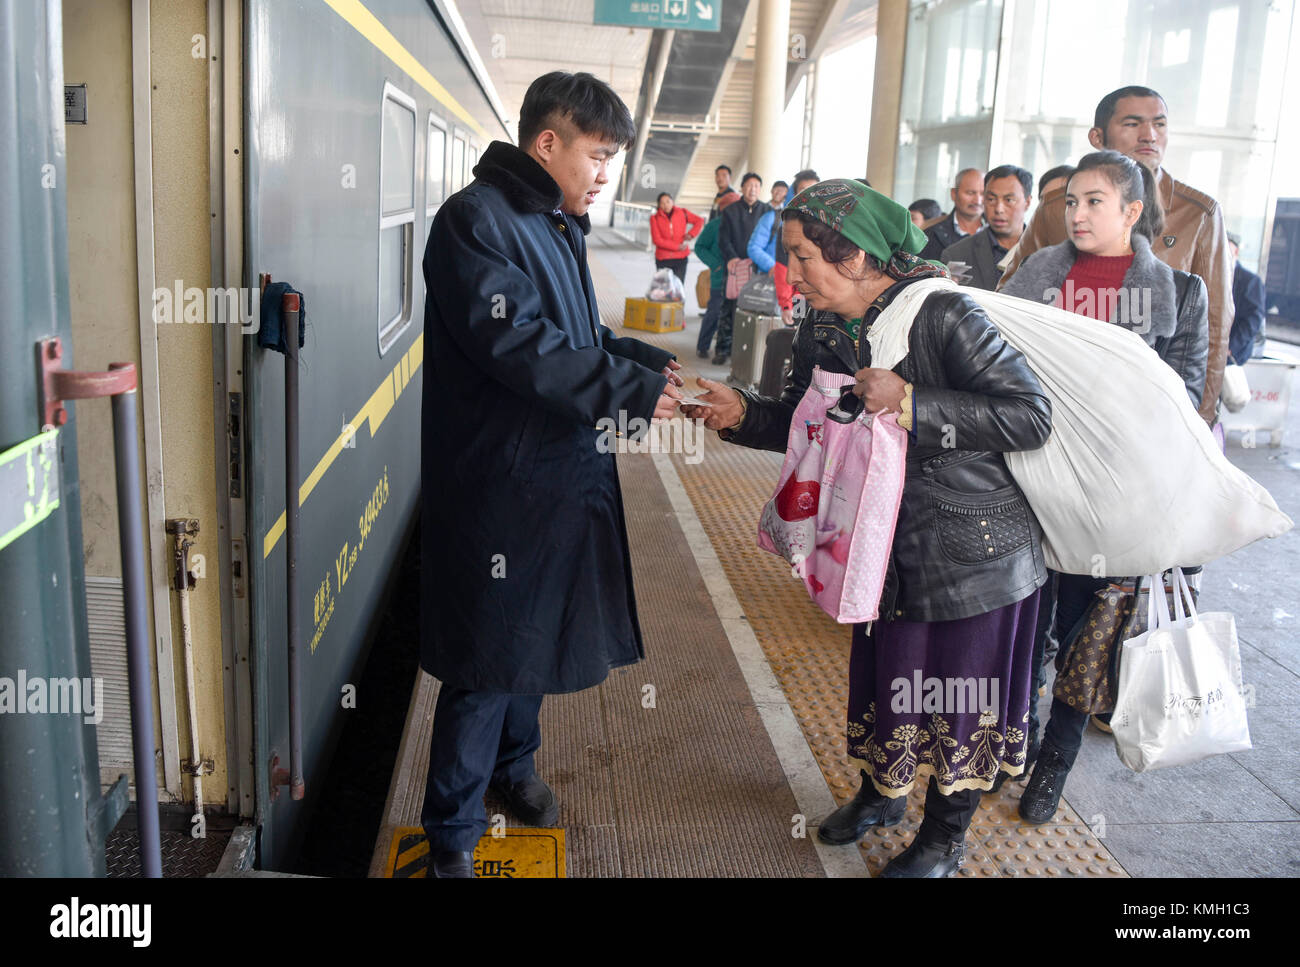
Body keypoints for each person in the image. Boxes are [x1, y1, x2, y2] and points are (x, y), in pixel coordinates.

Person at [683, 179, 1053, 877]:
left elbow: (1029, 415)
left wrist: (914, 400)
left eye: (801, 256)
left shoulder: (942, 315)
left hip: (972, 550)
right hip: (879, 542)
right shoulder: (824, 325)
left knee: (957, 693)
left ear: (852, 256)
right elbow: (805, 419)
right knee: (890, 676)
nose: (791, 272)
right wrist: (739, 413)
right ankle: (883, 795)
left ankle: (943, 837)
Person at [419, 71, 685, 878]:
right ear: (547, 143)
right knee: (485, 660)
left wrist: (651, 369)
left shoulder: (553, 219)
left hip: (557, 471)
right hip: (500, 480)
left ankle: (514, 768)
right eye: (598, 155)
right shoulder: (475, 222)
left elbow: (580, 333)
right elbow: (520, 347)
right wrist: (630, 392)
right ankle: (452, 837)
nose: (605, 173)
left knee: (529, 642)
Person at [1000, 150, 1208, 819]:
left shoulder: (1177, 292)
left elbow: (1185, 399)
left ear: (1132, 211)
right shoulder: (1037, 273)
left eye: (1096, 200)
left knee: (1089, 625)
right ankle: (1017, 734)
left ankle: (1057, 755)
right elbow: (993, 357)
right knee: (1026, 619)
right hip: (1032, 476)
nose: (1079, 213)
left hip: (1114, 491)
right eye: (1072, 201)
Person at [1000, 85, 1233, 428]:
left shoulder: (1199, 213)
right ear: (1098, 136)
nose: (1149, 135)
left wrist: (1199, 424)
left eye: (1160, 124)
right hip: (1048, 408)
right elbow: (1010, 303)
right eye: (1133, 123)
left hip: (1146, 417)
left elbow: (1214, 323)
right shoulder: (1055, 208)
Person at [940, 164, 1033, 290]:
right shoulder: (957, 255)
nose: (999, 209)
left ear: (1027, 202)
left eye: (1009, 200)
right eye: (991, 199)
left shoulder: (1046, 253)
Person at [712, 172, 771, 364]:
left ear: (760, 189)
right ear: (742, 188)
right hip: (736, 267)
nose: (752, 189)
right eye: (749, 185)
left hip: (759, 269)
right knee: (729, 308)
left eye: (756, 186)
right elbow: (723, 239)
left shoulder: (767, 211)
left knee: (756, 308)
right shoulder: (730, 211)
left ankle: (749, 352)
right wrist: (731, 258)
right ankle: (723, 349)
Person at [772, 169, 821, 325]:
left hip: (825, 299)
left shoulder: (829, 227)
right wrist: (786, 305)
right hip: (799, 297)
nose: (809, 196)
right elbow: (782, 269)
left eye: (814, 190)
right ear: (795, 195)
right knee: (797, 336)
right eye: (803, 191)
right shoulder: (787, 229)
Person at [918, 168, 985, 260]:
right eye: (970, 193)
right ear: (953, 194)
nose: (978, 201)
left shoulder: (998, 233)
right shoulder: (931, 235)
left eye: (983, 194)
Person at [1227, 231, 1266, 364]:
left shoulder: (1250, 281)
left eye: (1227, 247)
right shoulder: (1211, 275)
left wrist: (1231, 347)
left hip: (1233, 355)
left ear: (1236, 251)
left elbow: (1253, 319)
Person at [650, 191, 704, 284]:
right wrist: (677, 246)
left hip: (681, 258)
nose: (665, 205)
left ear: (672, 202)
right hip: (663, 259)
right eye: (662, 203)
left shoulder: (683, 213)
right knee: (663, 290)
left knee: (678, 289)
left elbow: (699, 221)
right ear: (659, 205)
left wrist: (691, 234)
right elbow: (657, 240)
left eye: (668, 201)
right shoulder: (654, 218)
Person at [693, 215, 727, 359]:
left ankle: (726, 349)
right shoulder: (715, 225)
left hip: (741, 278)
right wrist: (715, 265)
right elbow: (699, 247)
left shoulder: (745, 222)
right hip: (719, 278)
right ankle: (703, 346)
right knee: (714, 312)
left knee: (733, 317)